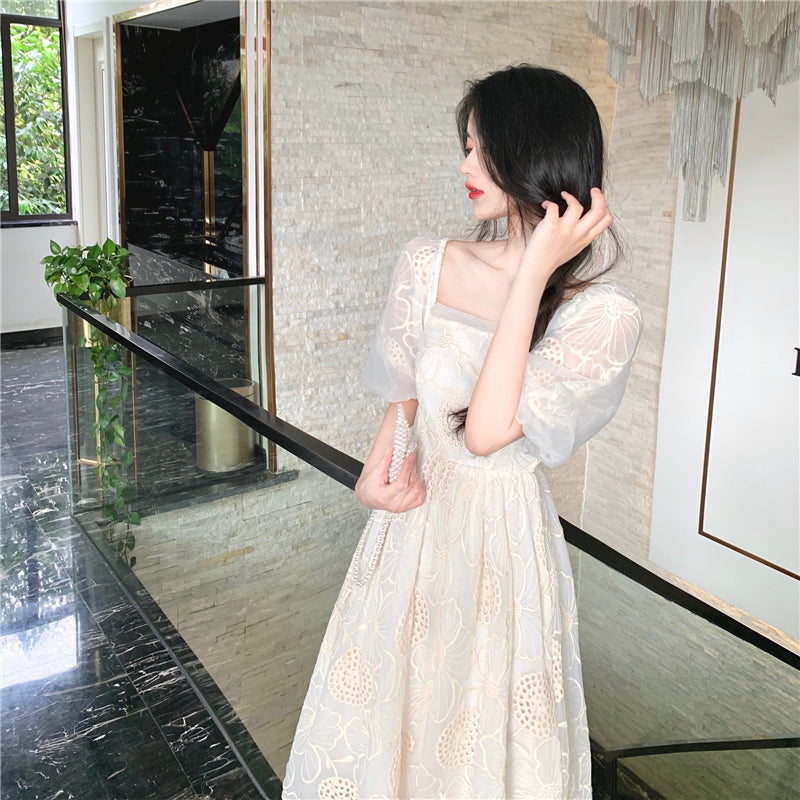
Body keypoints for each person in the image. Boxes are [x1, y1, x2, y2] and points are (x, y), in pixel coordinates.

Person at [283, 64, 642, 800]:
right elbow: (404, 402)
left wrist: (534, 271)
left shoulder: (603, 315)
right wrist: (374, 476)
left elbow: (485, 432)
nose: (465, 165)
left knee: (476, 736)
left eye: (481, 148)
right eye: (466, 147)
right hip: (412, 535)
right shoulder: (427, 263)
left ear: (533, 151)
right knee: (393, 723)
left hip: (503, 546)